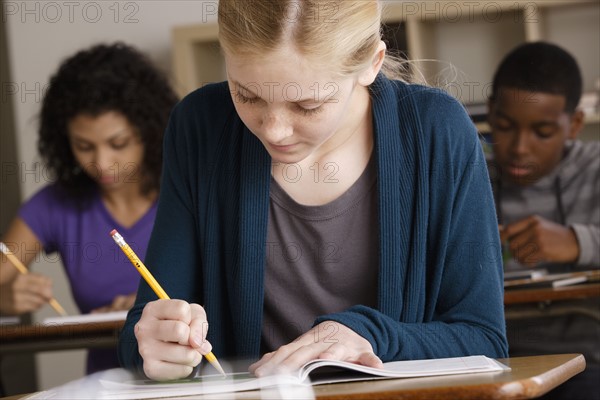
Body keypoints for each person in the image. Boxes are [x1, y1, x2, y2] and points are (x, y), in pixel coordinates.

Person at [119, 0, 508, 381]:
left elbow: (484, 340)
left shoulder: (438, 133)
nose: (273, 130)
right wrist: (153, 345)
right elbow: (145, 327)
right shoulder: (199, 126)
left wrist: (369, 336)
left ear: (372, 63)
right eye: (246, 94)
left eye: (307, 106)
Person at [0, 43, 178, 374]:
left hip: (193, 378)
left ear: (150, 131)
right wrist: (4, 300)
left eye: (118, 144)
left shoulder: (185, 192)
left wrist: (146, 308)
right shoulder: (54, 206)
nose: (101, 163)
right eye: (83, 147)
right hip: (104, 385)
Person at [486, 41, 599, 399]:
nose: (520, 147)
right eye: (504, 126)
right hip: (493, 362)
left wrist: (578, 242)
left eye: (542, 132)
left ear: (574, 124)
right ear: (490, 113)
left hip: (586, 360)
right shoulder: (468, 178)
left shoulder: (595, 169)